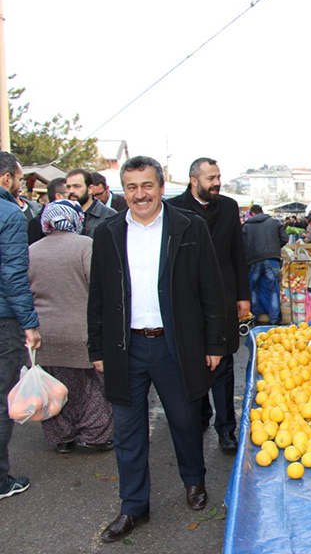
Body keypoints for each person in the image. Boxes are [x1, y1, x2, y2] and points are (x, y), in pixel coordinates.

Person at [87, 156, 227, 542]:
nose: (140, 194)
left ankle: (194, 481)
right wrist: (96, 347)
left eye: (146, 186)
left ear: (161, 187)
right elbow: (97, 295)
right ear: (123, 191)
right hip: (126, 347)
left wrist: (214, 343)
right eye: (131, 187)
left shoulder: (189, 227)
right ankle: (133, 507)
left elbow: (211, 291)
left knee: (185, 419)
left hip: (174, 345)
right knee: (127, 431)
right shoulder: (109, 232)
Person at [168, 158, 250, 454]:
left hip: (224, 297)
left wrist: (243, 295)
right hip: (187, 298)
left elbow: (238, 253)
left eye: (218, 177)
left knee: (225, 364)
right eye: (210, 178)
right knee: (193, 359)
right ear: (194, 180)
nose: (216, 182)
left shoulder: (228, 207)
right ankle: (201, 414)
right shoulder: (174, 208)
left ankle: (226, 428)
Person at [29, 200, 113, 454]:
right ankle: (94, 435)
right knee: (92, 389)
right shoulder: (86, 246)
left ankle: (62, 437)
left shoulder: (31, 250)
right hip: (82, 333)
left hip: (44, 333)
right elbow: (99, 288)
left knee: (54, 388)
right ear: (76, 220)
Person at [0, 151, 41, 500]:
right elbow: (13, 275)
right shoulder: (10, 213)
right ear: (5, 179)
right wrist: (29, 324)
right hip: (2, 320)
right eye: (18, 177)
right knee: (1, 399)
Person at [243, 204, 289, 325]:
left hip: (253, 260)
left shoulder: (247, 226)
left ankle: (254, 317)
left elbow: (242, 244)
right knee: (273, 289)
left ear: (252, 213)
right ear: (261, 211)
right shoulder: (274, 223)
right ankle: (274, 319)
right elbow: (285, 238)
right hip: (272, 259)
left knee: (254, 289)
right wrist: (275, 246)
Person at [65, 168, 117, 237]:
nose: (71, 191)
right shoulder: (62, 216)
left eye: (77, 186)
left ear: (90, 189)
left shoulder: (109, 216)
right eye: (68, 187)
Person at [27, 177, 68, 244]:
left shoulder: (74, 217)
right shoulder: (37, 223)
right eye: (68, 190)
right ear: (59, 196)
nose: (73, 192)